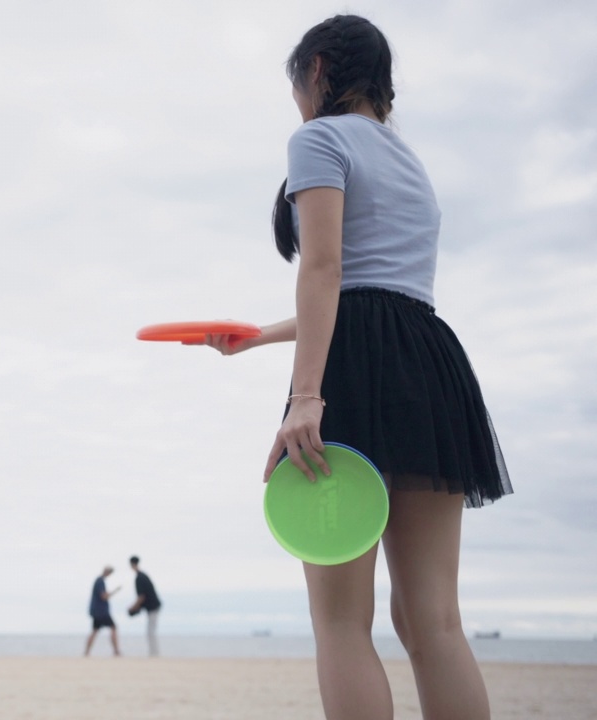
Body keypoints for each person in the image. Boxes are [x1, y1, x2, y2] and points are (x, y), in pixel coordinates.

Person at [200, 15, 512, 720]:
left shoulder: (318, 138)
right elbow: (378, 291)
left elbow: (326, 268)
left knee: (341, 621)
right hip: (429, 362)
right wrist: (254, 339)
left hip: (351, 372)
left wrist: (305, 395)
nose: (299, 108)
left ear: (316, 70)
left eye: (297, 90)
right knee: (433, 621)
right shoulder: (411, 165)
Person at [126, 556, 161, 657]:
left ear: (131, 564)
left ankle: (154, 654)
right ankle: (153, 653)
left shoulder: (139, 578)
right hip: (152, 607)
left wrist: (132, 608)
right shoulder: (142, 576)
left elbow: (141, 597)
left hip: (153, 607)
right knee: (151, 631)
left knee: (150, 631)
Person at [84, 565, 121, 657]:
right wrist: (115, 591)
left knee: (95, 630)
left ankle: (86, 652)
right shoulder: (100, 581)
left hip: (98, 611)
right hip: (101, 611)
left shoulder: (99, 580)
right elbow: (103, 596)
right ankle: (116, 651)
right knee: (113, 627)